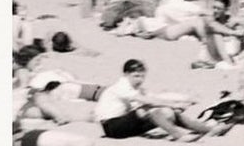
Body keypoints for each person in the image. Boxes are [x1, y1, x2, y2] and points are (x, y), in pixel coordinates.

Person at [95, 59, 225, 141]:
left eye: (142, 76)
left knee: (168, 113)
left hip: (125, 127)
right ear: (126, 74)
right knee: (147, 109)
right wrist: (173, 104)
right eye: (136, 76)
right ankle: (179, 135)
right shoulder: (121, 86)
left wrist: (186, 98)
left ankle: (206, 130)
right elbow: (148, 101)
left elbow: (158, 97)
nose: (140, 80)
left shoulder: (135, 88)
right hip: (111, 127)